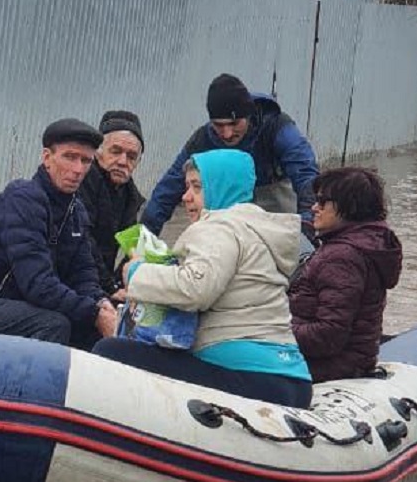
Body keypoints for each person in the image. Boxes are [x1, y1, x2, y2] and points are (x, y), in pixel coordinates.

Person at [93, 149, 312, 408]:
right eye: (186, 187)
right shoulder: (256, 229)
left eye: (197, 187)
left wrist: (136, 272)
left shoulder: (219, 227)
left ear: (222, 187)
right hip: (293, 379)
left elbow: (195, 289)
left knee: (110, 351)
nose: (186, 197)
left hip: (247, 375)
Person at [0, 119, 119, 349]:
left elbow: (83, 275)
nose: (78, 169)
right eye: (69, 157)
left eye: (86, 161)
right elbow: (38, 285)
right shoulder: (23, 199)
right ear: (47, 158)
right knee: (54, 324)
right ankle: (32, 385)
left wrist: (102, 304)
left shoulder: (76, 211)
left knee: (90, 326)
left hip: (13, 305)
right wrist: (94, 313)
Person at [142, 73, 319, 238]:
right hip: (225, 209)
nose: (227, 134)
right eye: (219, 125)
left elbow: (306, 174)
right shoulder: (202, 140)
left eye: (234, 124)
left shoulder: (276, 126)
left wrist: (308, 224)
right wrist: (141, 241)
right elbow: (167, 190)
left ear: (248, 116)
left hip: (274, 198)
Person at [288, 167, 402, 383]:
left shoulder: (342, 257)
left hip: (331, 366)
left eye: (322, 202)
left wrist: (269, 331)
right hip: (353, 360)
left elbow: (328, 336)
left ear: (349, 207)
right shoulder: (365, 245)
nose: (314, 208)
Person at [78, 110, 146, 301]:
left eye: (132, 156)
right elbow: (84, 241)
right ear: (98, 152)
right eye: (116, 152)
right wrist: (110, 287)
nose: (123, 162)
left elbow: (133, 246)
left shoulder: (130, 196)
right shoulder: (82, 183)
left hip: (98, 281)